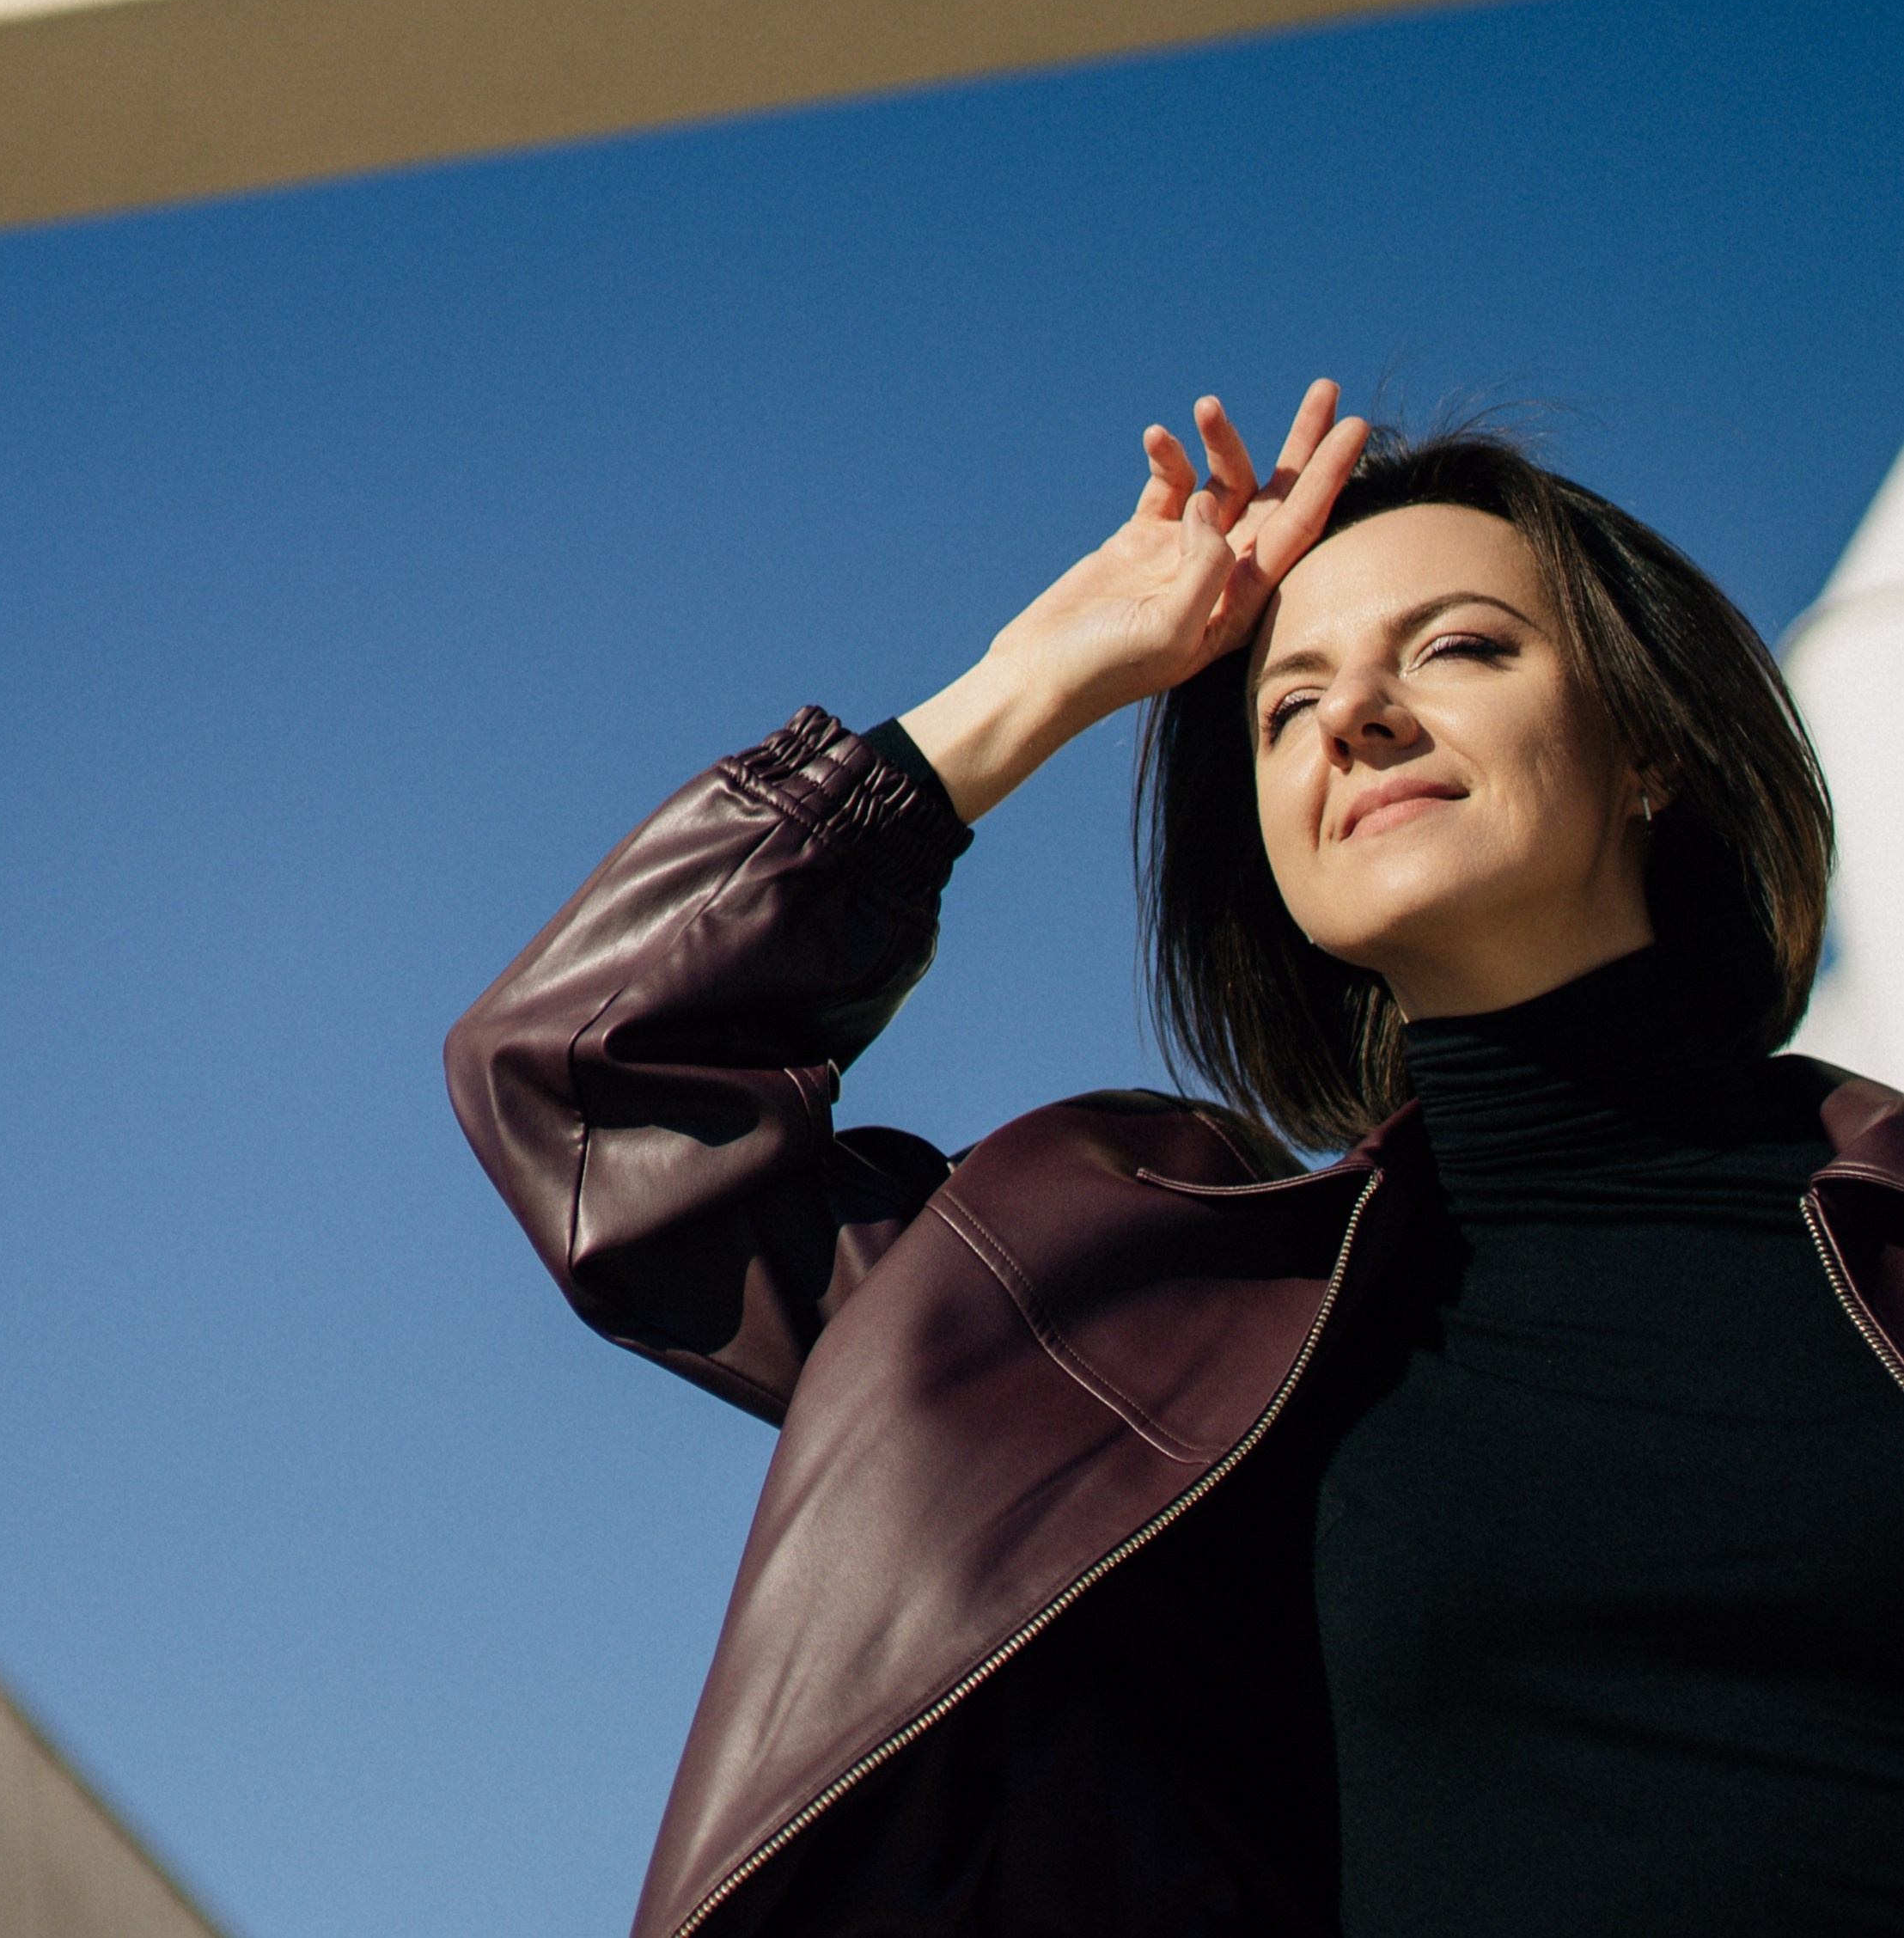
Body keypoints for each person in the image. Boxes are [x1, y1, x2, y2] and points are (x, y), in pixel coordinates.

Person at [446, 385, 1904, 1938]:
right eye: (1286, 705)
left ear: (1649, 750)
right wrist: (1035, 684)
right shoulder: (1133, 1327)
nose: (1355, 714)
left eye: (1458, 645)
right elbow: (586, 1078)